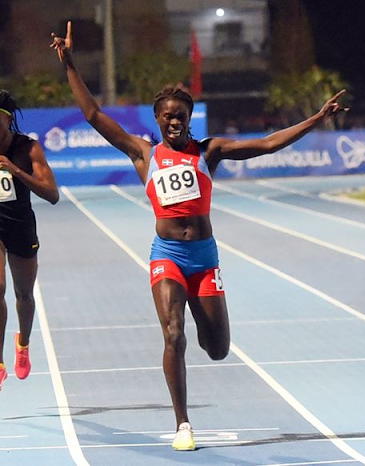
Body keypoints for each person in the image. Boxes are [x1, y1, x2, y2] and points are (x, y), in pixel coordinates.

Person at [51, 22, 347, 451]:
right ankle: (183, 424)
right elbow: (94, 115)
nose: (174, 121)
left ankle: (204, 338)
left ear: (190, 118)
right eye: (168, 116)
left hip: (204, 259)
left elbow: (266, 144)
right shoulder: (144, 154)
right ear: (157, 119)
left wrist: (317, 119)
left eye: (181, 115)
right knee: (173, 335)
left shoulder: (209, 151)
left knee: (218, 349)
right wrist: (70, 65)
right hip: (166, 254)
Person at [0, 90, 60, 390]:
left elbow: (52, 195)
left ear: (7, 120)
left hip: (20, 225)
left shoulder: (29, 148)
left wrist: (15, 171)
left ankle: (22, 343)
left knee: (24, 295)